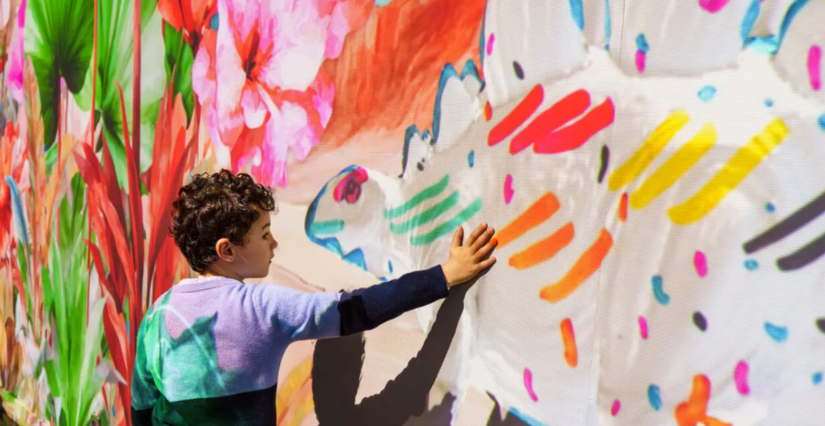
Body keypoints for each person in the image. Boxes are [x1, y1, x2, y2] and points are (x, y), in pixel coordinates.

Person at [131, 169, 498, 425]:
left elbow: (142, 410)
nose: (275, 244)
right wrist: (444, 275)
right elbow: (359, 309)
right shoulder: (259, 309)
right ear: (227, 249)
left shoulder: (156, 317)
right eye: (264, 235)